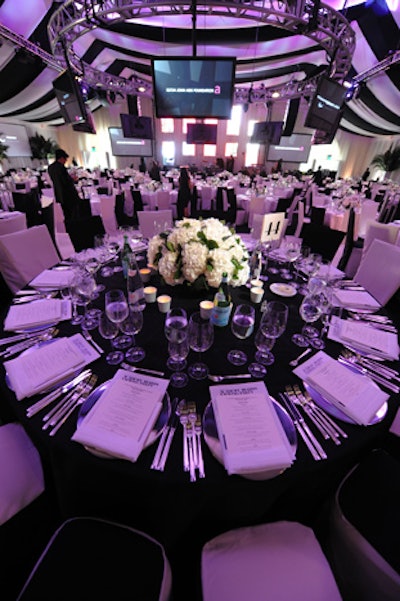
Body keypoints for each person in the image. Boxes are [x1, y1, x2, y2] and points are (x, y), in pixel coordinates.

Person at [47, 148, 81, 221]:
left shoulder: (50, 168)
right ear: (61, 158)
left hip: (59, 195)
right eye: (65, 159)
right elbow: (65, 182)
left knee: (66, 215)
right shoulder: (61, 167)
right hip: (68, 195)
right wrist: (73, 179)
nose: (65, 161)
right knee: (73, 215)